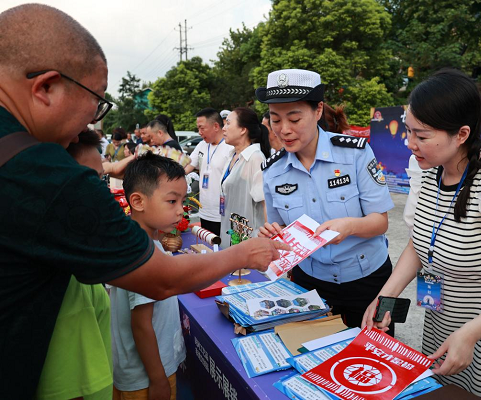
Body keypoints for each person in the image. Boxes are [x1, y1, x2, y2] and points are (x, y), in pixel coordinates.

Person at [0, 5, 289, 398]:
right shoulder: (44, 174)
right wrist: (244, 254)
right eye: (96, 103)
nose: (90, 124)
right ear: (46, 87)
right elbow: (161, 280)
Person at [362, 69, 481, 400]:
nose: (410, 144)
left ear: (461, 134)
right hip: (443, 318)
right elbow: (419, 242)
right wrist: (387, 294)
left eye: (422, 136)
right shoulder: (425, 175)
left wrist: (471, 334)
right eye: (408, 132)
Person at [257, 69, 396, 335]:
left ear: (318, 110)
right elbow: (277, 228)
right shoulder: (272, 171)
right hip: (310, 284)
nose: (284, 130)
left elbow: (380, 222)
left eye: (294, 118)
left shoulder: (354, 154)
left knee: (373, 363)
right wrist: (270, 234)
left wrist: (350, 226)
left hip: (367, 280)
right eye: (275, 120)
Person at [35, 130, 113, 400]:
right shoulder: (60, 280)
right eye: (91, 179)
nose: (100, 191)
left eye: (103, 180)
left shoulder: (74, 262)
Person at [112, 153, 188, 400]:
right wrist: (157, 380)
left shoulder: (141, 240)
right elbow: (141, 325)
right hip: (146, 377)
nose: (181, 211)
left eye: (182, 201)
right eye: (172, 201)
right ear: (138, 201)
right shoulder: (140, 253)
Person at [220, 108, 271, 248]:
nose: (223, 128)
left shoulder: (255, 158)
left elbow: (266, 203)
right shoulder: (231, 155)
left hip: (248, 240)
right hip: (228, 231)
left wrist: (270, 239)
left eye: (228, 124)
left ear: (243, 129)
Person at [185, 108, 233, 235]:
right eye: (198, 129)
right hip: (205, 211)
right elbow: (187, 167)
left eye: (202, 128)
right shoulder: (202, 145)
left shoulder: (230, 148)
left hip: (223, 213)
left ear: (216, 126)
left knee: (223, 251)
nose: (199, 132)